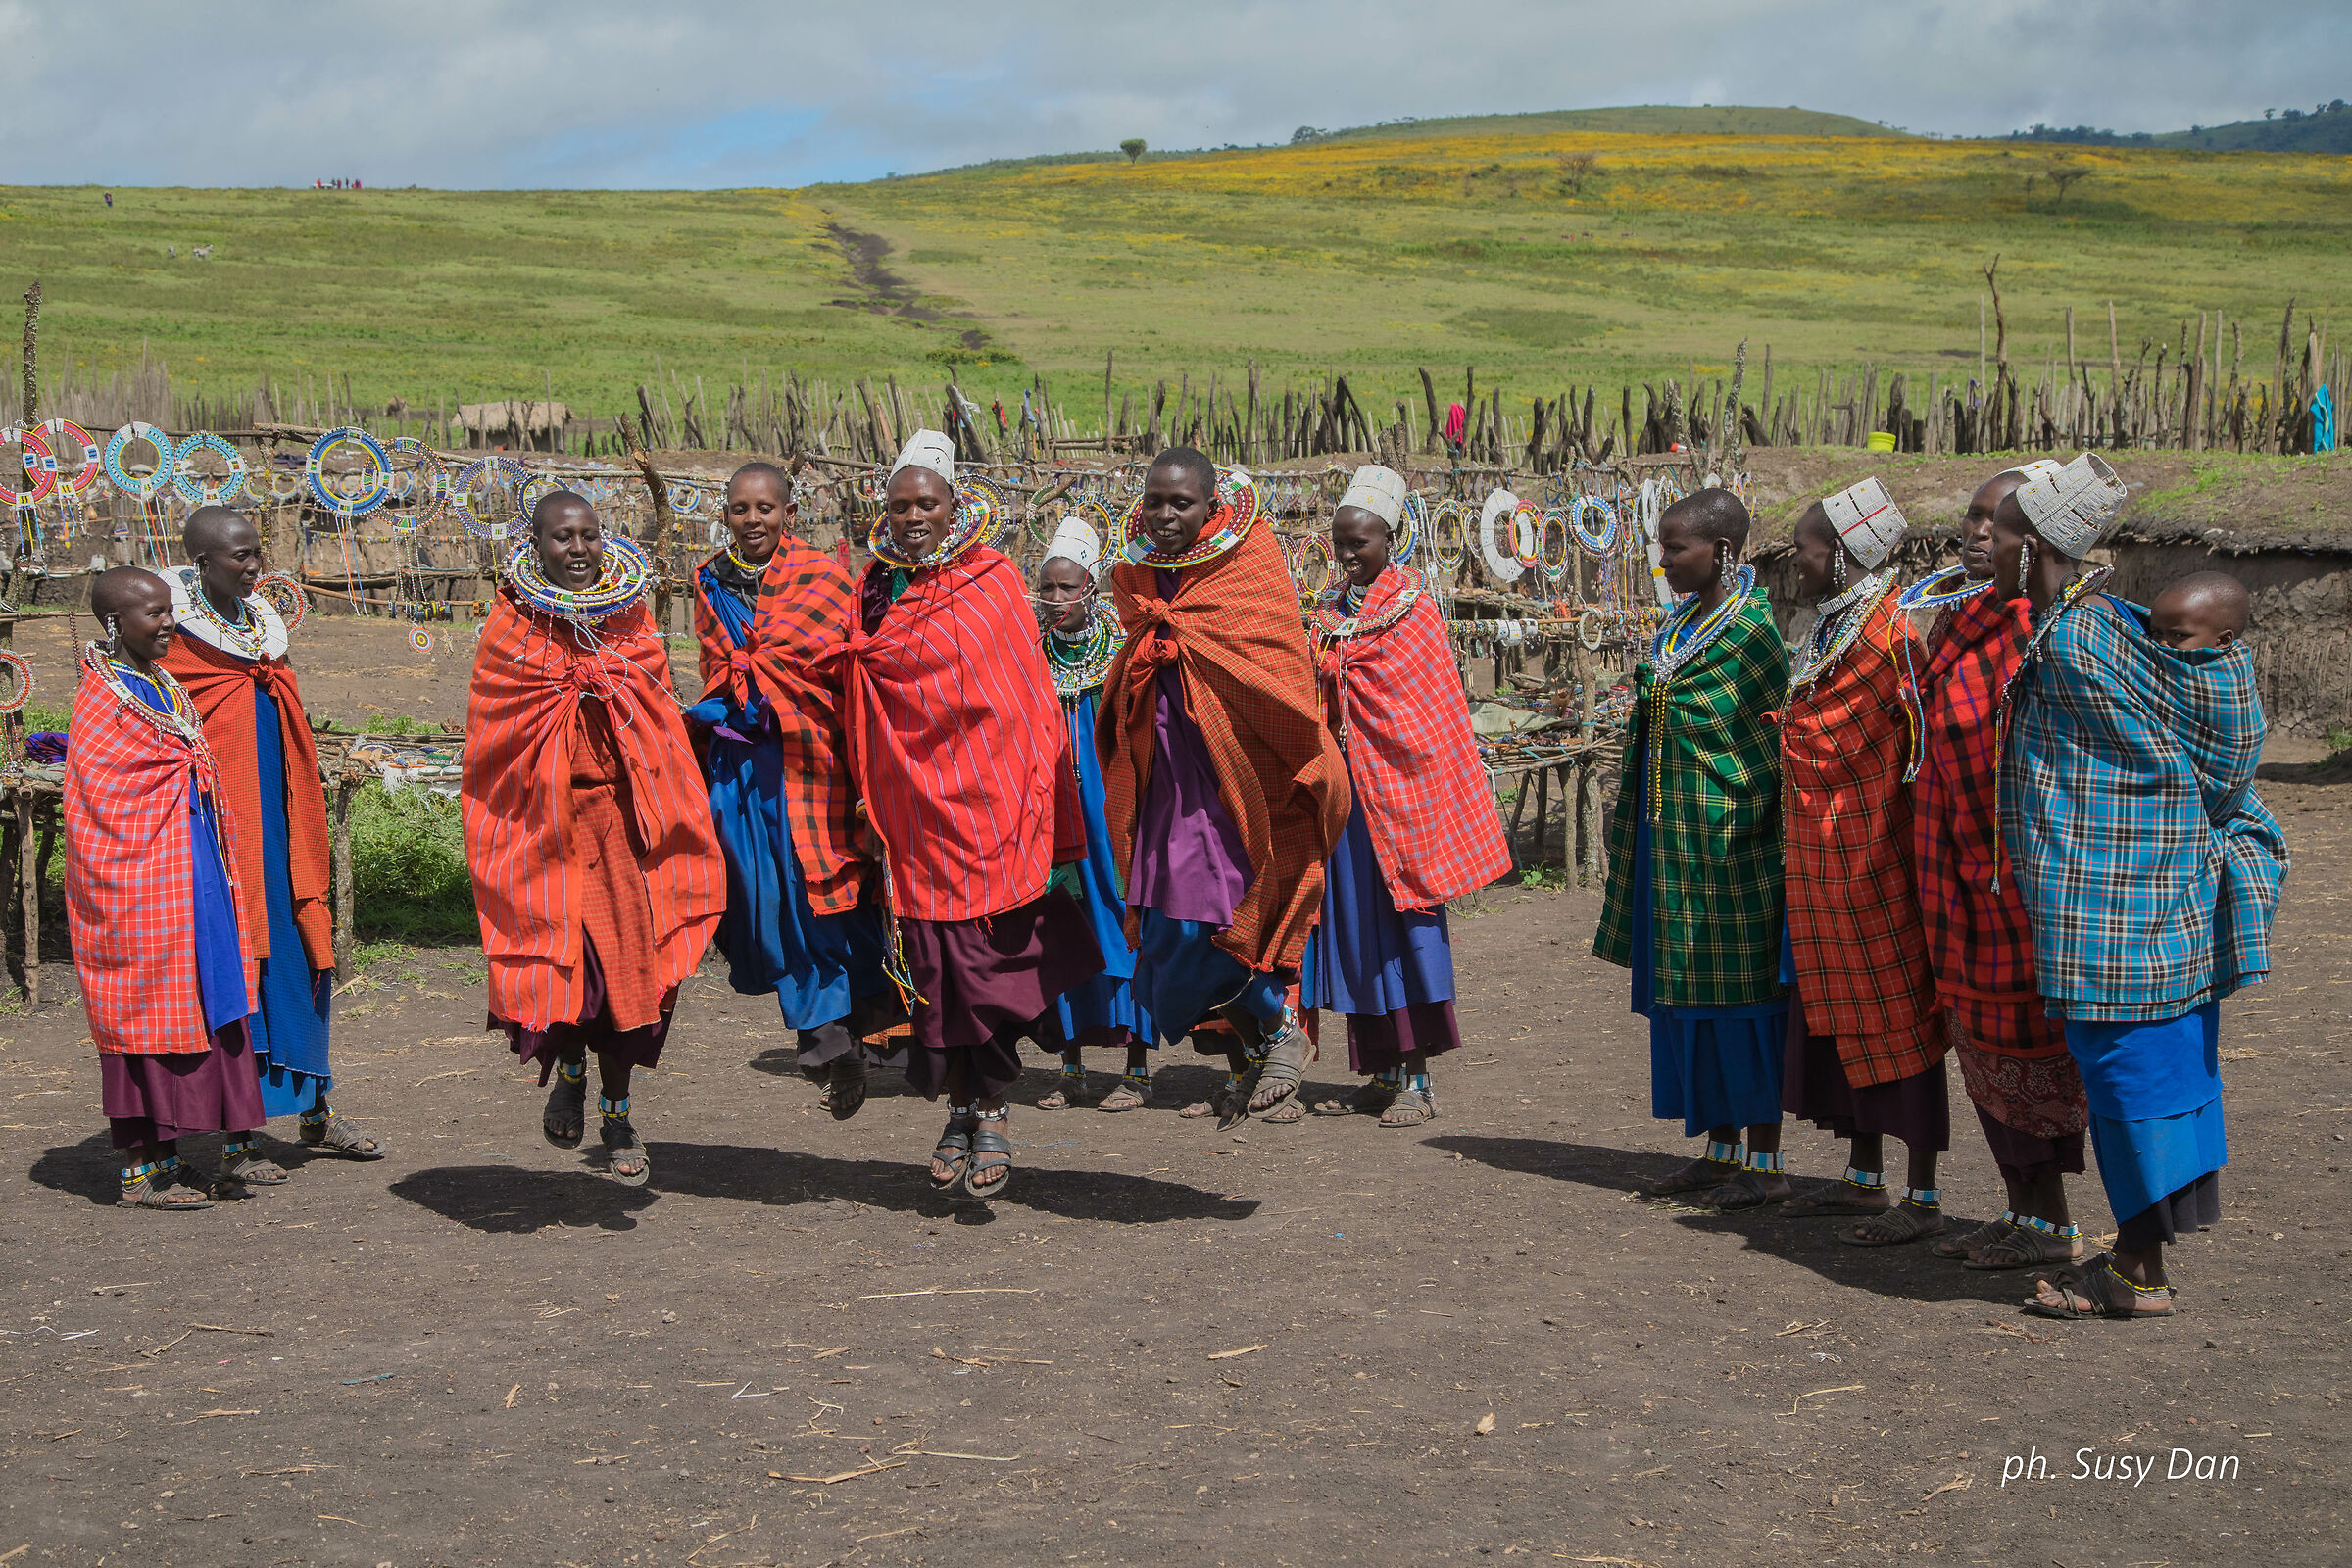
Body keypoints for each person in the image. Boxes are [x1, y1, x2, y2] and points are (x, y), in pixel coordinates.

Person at [1996, 454, 2288, 1320]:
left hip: (2121, 897)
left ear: (2039, 545)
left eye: (2006, 532)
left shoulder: (2082, 638)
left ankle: (2135, 1271)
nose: (1986, 546)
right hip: (2146, 896)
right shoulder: (2099, 626)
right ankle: (2139, 1258)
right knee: (2153, 1067)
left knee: (2128, 1074)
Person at [837, 431, 1102, 1200]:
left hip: (986, 811)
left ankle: (988, 1106)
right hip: (913, 814)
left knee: (984, 968)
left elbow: (1019, 696)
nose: (912, 517)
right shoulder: (877, 587)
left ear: (954, 505)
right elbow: (867, 674)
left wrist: (1024, 789)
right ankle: (963, 1108)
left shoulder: (986, 579)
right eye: (899, 505)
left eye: (926, 503)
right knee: (935, 971)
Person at [462, 493, 725, 1186]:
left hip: (625, 824)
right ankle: (571, 1070)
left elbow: (657, 715)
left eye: (588, 536)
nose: (577, 550)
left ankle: (617, 1111)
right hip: (543, 831)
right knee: (566, 974)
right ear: (537, 545)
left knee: (630, 980)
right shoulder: (513, 625)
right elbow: (496, 733)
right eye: (562, 538)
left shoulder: (629, 618)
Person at [1097, 447, 1349, 1127]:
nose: (1166, 514)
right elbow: (1135, 638)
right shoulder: (1138, 569)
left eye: (1182, 502)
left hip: (1227, 774)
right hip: (1162, 773)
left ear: (1212, 506)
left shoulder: (1248, 561)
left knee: (1199, 919)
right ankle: (1265, 1039)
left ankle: (1276, 1027)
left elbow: (1276, 666)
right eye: (1155, 500)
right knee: (1163, 934)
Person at [159, 506, 382, 1180]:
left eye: (258, 552)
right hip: (223, 832)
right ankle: (238, 1139)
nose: (255, 566)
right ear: (200, 563)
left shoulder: (260, 630)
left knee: (300, 951)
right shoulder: (176, 644)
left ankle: (315, 1109)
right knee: (238, 963)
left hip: (280, 818)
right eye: (239, 557)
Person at [1908, 462, 2091, 1271]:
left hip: (2020, 873)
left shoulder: (2050, 627)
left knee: (2035, 1039)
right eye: (1971, 521)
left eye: (1998, 522)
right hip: (1955, 871)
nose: (1979, 536)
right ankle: (2023, 1212)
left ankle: (2050, 1218)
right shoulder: (1960, 623)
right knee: (1981, 1038)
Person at [1593, 489, 1790, 1208]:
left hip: (1733, 844)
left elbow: (1766, 744)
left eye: (1677, 548)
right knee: (1689, 1000)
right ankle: (1719, 1146)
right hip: (1672, 843)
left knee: (1743, 1003)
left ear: (1723, 552)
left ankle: (1763, 1161)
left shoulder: (1753, 636)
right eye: (1663, 545)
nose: (1664, 560)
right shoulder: (1685, 625)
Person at [686, 461, 899, 1119]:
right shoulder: (709, 580)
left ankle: (833, 1037)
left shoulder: (823, 577)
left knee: (819, 900)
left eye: (766, 509)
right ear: (726, 513)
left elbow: (846, 670)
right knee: (755, 897)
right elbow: (715, 664)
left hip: (812, 763)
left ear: (789, 515)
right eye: (740, 509)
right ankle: (839, 1033)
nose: (753, 521)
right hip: (740, 770)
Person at [1301, 466, 1509, 1127]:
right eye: (1341, 542)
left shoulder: (1411, 610)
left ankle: (1418, 1078)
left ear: (1392, 538)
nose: (1349, 554)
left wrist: (1342, 675)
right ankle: (1383, 1068)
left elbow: (1423, 713)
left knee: (1404, 929)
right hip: (1347, 805)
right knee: (1356, 929)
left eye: (1361, 541)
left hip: (1401, 797)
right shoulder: (1332, 610)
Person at [1774, 478, 1951, 1244]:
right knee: (1845, 1013)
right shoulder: (1836, 624)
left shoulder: (1892, 633)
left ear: (1841, 555)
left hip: (1876, 848)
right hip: (1823, 853)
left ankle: (1923, 1193)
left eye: (1808, 551)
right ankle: (1863, 1175)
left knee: (1899, 1014)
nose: (1797, 563)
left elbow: (1906, 742)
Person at [65, 567, 265, 1209]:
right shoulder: (103, 698)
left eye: (168, 611)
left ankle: (172, 1161)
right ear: (115, 622)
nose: (167, 624)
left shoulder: (160, 682)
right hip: (139, 882)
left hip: (190, 868)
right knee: (146, 1011)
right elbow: (100, 801)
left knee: (203, 999)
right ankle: (137, 1174)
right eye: (153, 614)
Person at [1029, 514, 1159, 1111]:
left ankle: (1136, 1068)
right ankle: (1070, 1065)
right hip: (1054, 814)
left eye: (1067, 586)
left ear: (1092, 589)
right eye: (1047, 587)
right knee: (1063, 927)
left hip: (1114, 810)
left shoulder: (1122, 654)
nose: (1055, 598)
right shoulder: (1029, 659)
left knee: (1120, 917)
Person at [2147, 570, 2250, 651]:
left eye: (2178, 635)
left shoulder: (2228, 676)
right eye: (2157, 633)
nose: (2162, 644)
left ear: (2222, 641)